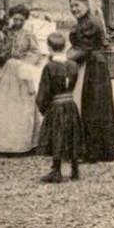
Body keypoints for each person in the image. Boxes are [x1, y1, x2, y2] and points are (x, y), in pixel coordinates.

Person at [67, 0, 114, 162]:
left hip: (94, 68)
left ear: (86, 5)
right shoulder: (85, 21)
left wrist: (65, 57)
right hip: (88, 65)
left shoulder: (90, 22)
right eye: (72, 7)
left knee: (92, 108)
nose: (74, 9)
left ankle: (93, 152)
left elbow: (85, 48)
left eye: (77, 6)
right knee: (89, 107)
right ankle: (93, 149)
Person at [0, 26, 40, 154]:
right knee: (0, 105)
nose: (17, 22)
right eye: (15, 19)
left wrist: (24, 64)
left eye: (21, 19)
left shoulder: (28, 34)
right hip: (1, 71)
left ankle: (21, 144)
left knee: (20, 107)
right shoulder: (3, 33)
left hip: (20, 72)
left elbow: (35, 52)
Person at [36, 32, 83, 183]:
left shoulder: (49, 67)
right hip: (70, 104)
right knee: (71, 135)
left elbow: (44, 92)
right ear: (65, 47)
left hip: (56, 106)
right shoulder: (73, 65)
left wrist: (43, 108)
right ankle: (75, 169)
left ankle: (56, 171)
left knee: (57, 136)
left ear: (49, 48)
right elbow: (73, 85)